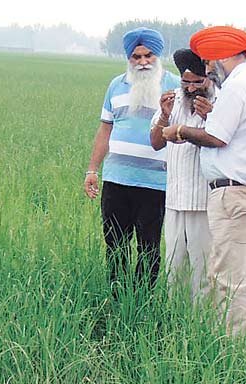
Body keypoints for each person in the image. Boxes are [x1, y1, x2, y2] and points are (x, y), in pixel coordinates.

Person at [160, 26, 246, 336]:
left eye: (209, 62)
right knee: (221, 273)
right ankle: (217, 338)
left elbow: (216, 138)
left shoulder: (237, 87)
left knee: (228, 279)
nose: (208, 69)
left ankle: (230, 347)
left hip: (233, 192)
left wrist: (180, 131)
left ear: (223, 57)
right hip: (232, 191)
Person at [84, 27, 180, 297]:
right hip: (116, 179)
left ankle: (142, 299)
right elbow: (105, 129)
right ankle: (117, 297)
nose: (143, 62)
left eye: (148, 55)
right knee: (115, 243)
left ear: (158, 55)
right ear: (129, 58)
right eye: (136, 57)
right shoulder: (116, 85)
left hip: (155, 182)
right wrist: (92, 170)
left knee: (149, 246)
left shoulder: (174, 86)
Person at [150, 48, 215, 300]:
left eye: (197, 82)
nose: (190, 88)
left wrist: (210, 116)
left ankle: (202, 319)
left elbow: (221, 139)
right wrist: (164, 116)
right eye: (185, 82)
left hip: (204, 202)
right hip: (175, 199)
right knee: (174, 268)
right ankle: (175, 315)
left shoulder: (219, 101)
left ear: (208, 78)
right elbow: (156, 142)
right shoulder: (173, 99)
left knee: (203, 270)